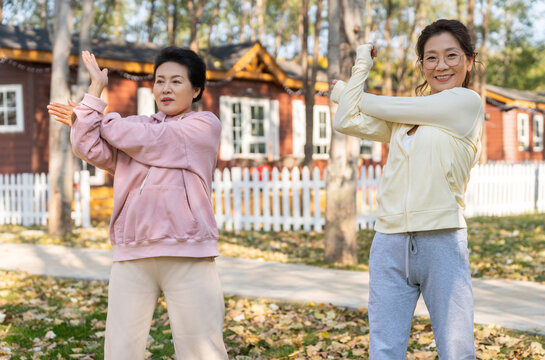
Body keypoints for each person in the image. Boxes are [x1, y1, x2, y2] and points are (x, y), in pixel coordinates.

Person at [48, 47, 229, 360]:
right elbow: (87, 145)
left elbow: (150, 140)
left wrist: (92, 118)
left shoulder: (203, 126)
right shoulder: (136, 127)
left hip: (187, 253)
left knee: (203, 352)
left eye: (176, 81)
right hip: (133, 253)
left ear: (196, 89)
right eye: (160, 81)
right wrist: (94, 91)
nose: (166, 88)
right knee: (120, 351)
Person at [330, 19, 483, 360]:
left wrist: (343, 92)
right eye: (431, 58)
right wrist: (362, 65)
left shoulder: (466, 103)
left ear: (469, 60)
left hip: (441, 240)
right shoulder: (406, 119)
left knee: (457, 350)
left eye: (451, 56)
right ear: (422, 64)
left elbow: (374, 106)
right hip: (389, 240)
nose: (441, 65)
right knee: (384, 350)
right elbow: (345, 121)